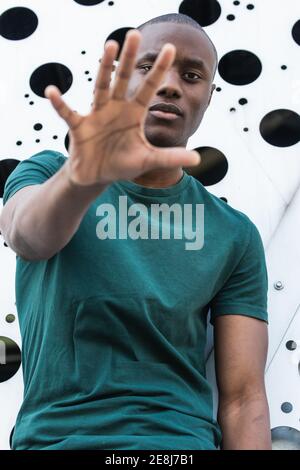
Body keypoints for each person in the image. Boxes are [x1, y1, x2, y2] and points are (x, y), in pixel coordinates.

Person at [0, 13, 272, 450]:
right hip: (56, 442)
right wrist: (83, 177)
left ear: (208, 96)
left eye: (191, 75)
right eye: (149, 68)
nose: (169, 86)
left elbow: (243, 399)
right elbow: (27, 236)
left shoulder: (234, 233)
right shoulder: (50, 171)